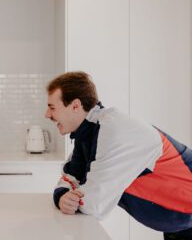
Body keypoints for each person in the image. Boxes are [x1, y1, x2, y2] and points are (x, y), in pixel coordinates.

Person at [45, 71, 192, 240]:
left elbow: (93, 203)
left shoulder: (112, 130)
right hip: (178, 221)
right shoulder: (88, 133)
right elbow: (70, 177)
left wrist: (72, 197)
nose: (47, 114)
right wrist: (62, 197)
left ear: (76, 106)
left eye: (52, 107)